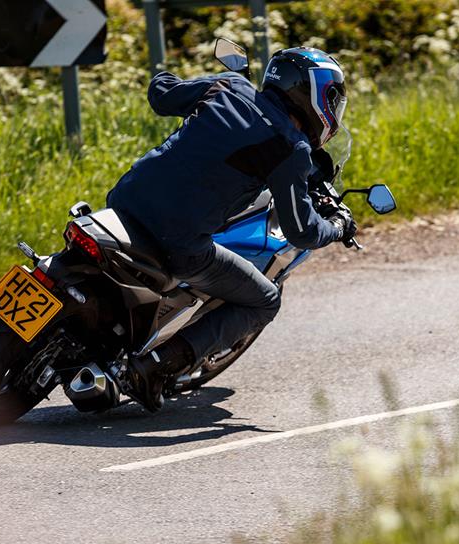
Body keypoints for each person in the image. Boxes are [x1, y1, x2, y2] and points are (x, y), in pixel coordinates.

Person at [106, 46, 356, 410]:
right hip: (180, 245)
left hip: (123, 203)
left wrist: (170, 73)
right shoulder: (291, 149)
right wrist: (335, 226)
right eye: (332, 99)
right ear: (314, 94)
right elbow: (301, 231)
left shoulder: (227, 87)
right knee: (265, 300)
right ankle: (154, 366)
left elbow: (161, 95)